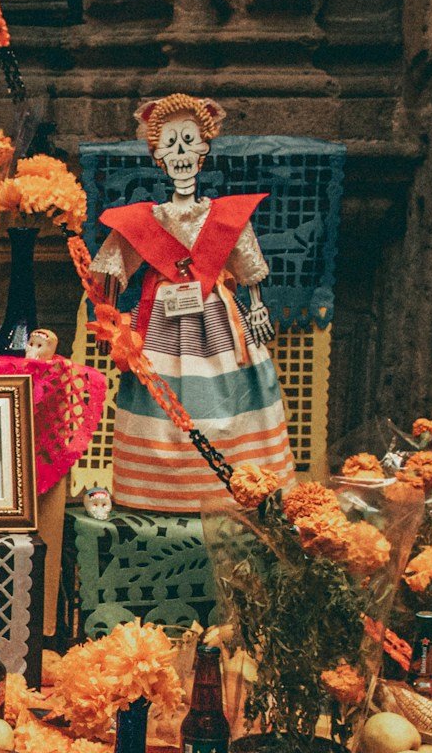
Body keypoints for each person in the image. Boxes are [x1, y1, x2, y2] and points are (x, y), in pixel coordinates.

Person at [88, 94, 291, 513]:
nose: (180, 153)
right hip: (162, 320)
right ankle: (158, 488)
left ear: (204, 149)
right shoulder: (149, 218)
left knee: (228, 392)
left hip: (219, 319)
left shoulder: (225, 215)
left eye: (190, 141)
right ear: (158, 154)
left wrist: (255, 307)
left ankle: (239, 481)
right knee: (159, 392)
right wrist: (109, 320)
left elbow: (248, 267)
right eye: (170, 144)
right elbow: (111, 269)